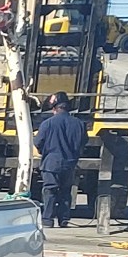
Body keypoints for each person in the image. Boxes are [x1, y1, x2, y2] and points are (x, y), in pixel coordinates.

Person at [34, 97, 86, 229]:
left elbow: (38, 142)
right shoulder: (79, 124)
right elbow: (84, 141)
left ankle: (47, 220)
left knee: (50, 190)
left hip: (51, 163)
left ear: (54, 109)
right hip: (70, 163)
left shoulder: (48, 123)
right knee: (65, 191)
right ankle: (64, 220)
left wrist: (43, 152)